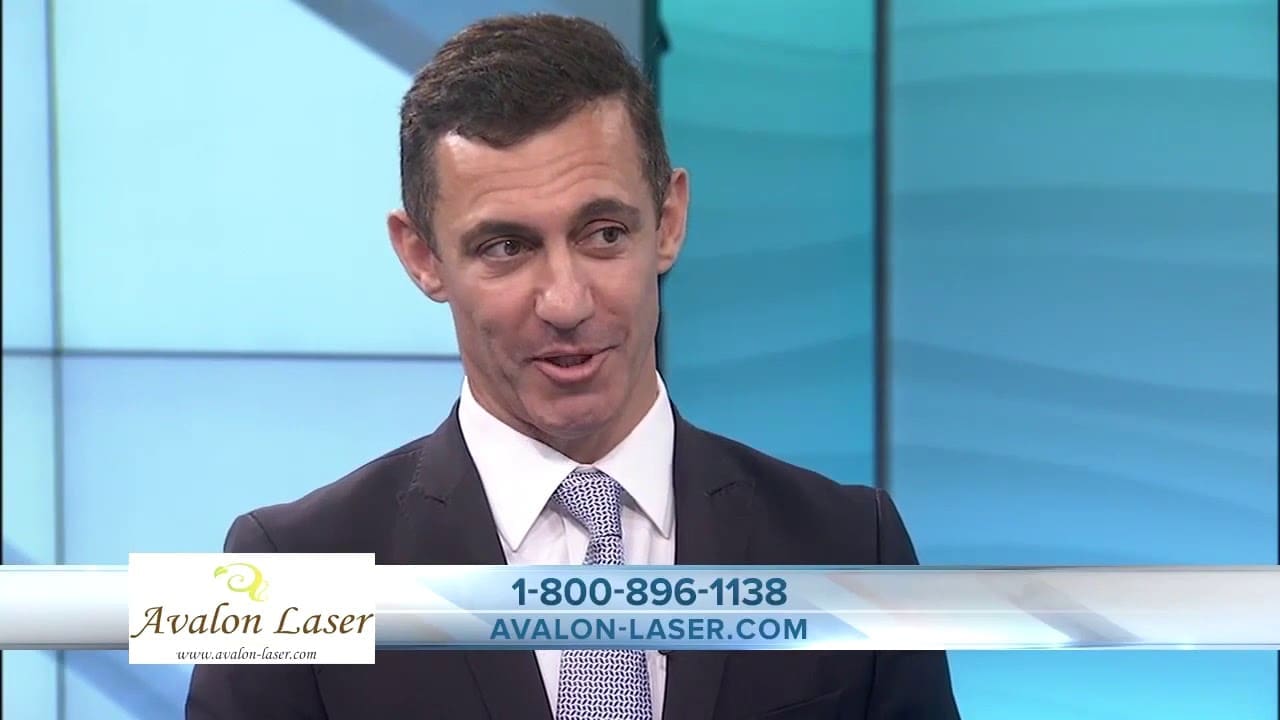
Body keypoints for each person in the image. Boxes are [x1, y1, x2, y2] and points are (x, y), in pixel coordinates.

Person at [186, 13, 960, 720]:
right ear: (422, 257)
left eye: (603, 233)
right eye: (506, 247)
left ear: (669, 221)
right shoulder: (289, 574)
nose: (564, 300)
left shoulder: (854, 545)